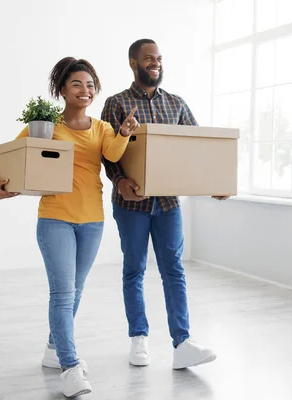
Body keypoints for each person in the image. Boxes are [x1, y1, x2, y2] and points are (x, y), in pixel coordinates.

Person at [0, 57, 139, 398]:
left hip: (92, 221)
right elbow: (11, 153)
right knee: (63, 294)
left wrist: (125, 133)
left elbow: (113, 153)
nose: (85, 90)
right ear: (62, 90)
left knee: (76, 291)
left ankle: (54, 350)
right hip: (55, 218)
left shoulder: (101, 129)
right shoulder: (45, 125)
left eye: (90, 85)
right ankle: (70, 367)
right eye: (76, 84)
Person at [101, 38, 229, 370]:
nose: (155, 63)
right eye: (148, 58)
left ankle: (183, 342)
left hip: (169, 204)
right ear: (133, 63)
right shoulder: (116, 103)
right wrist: (120, 181)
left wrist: (214, 182)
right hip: (131, 204)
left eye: (158, 58)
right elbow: (106, 152)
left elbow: (196, 148)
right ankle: (139, 339)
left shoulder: (176, 104)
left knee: (174, 270)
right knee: (135, 269)